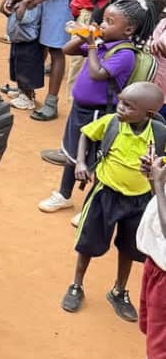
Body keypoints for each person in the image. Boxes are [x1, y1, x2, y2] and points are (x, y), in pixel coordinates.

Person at [61, 80, 165, 320]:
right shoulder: (111, 123)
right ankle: (77, 285)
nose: (121, 108)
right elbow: (85, 135)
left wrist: (155, 168)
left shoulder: (159, 134)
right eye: (121, 102)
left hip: (139, 200)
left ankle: (119, 290)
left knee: (129, 248)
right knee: (88, 243)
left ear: (148, 114)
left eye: (129, 106)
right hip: (105, 195)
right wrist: (81, 162)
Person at [39, 0, 149, 217]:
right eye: (104, 19)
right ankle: (64, 194)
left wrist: (91, 44)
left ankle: (91, 205)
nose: (103, 24)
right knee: (72, 152)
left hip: (101, 112)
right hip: (81, 108)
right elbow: (67, 50)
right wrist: (83, 36)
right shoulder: (101, 43)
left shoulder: (124, 53)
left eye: (109, 22)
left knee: (96, 159)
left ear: (128, 30)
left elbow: (97, 73)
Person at [93, 151, 166, 359]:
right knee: (155, 337)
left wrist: (159, 185)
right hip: (158, 263)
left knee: (163, 352)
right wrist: (154, 180)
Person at [0, 0, 44, 112]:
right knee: (17, 69)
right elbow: (3, 10)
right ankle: (21, 92)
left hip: (29, 45)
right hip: (17, 42)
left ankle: (28, 99)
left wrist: (24, 4)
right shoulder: (18, 0)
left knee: (26, 72)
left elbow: (20, 17)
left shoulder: (32, 5)